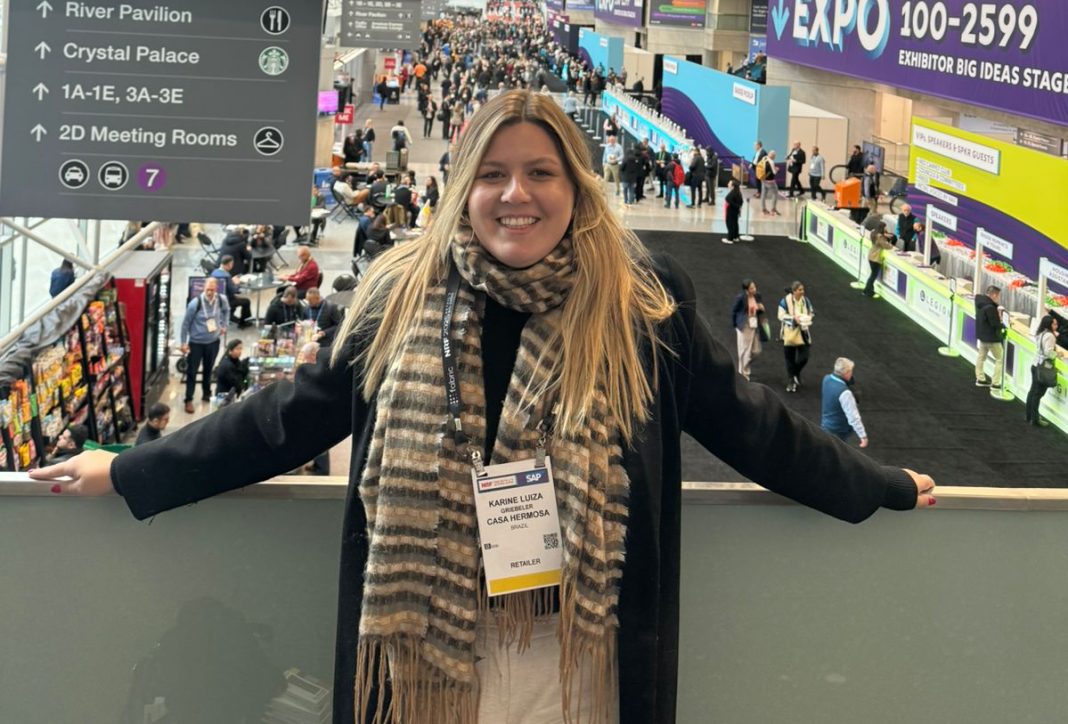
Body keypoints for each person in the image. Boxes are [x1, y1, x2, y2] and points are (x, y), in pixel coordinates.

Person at [32, 90, 935, 724]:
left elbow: (751, 426)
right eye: (494, 173)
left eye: (541, 172)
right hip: (425, 659)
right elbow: (285, 419)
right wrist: (134, 470)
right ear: (463, 185)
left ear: (576, 187)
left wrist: (878, 485)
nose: (516, 194)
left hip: (575, 663)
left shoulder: (638, 306)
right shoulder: (399, 299)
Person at [180, 277, 228, 414]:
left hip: (213, 342)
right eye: (207, 289)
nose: (209, 292)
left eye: (212, 290)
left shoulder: (221, 300)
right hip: (196, 344)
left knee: (208, 369)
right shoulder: (195, 303)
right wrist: (183, 342)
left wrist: (224, 325)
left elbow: (227, 311)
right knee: (192, 372)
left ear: (216, 289)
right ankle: (188, 399)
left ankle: (206, 393)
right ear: (203, 288)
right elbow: (185, 324)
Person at [820, 358, 868, 448]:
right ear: (846, 373)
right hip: (839, 431)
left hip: (826, 425)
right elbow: (853, 417)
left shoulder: (826, 379)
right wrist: (863, 436)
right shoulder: (845, 393)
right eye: (851, 371)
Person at [778, 280, 814, 392]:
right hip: (790, 333)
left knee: (804, 357)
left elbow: (811, 311)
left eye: (803, 289)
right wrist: (793, 319)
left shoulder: (805, 300)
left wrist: (809, 317)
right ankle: (791, 381)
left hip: (803, 332)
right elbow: (780, 316)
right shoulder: (785, 301)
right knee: (790, 359)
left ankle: (795, 372)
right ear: (794, 291)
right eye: (800, 290)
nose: (802, 292)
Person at [1026, 314, 1061, 427]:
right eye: (1054, 324)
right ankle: (1035, 419)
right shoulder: (1050, 336)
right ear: (1049, 324)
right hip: (1043, 368)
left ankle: (1029, 415)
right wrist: (1058, 354)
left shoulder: (1040, 332)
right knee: (1038, 394)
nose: (1056, 325)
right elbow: (1048, 352)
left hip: (1035, 364)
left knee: (1032, 392)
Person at [730, 278, 766, 380]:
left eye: (754, 287)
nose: (754, 289)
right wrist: (735, 325)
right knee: (745, 350)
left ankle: (745, 368)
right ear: (746, 290)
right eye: (752, 288)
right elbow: (734, 311)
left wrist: (761, 308)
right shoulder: (741, 298)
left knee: (756, 351)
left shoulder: (757, 296)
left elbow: (759, 309)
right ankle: (743, 374)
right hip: (744, 325)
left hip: (754, 324)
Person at [973, 285, 1006, 387]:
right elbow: (995, 324)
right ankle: (996, 383)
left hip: (982, 335)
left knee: (981, 357)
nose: (998, 298)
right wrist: (1003, 324)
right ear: (994, 295)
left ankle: (980, 378)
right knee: (1000, 359)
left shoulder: (979, 301)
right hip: (991, 338)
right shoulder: (990, 307)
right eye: (998, 296)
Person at [210, 255, 252, 328]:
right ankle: (242, 322)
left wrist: (231, 281)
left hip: (216, 299)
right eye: (232, 264)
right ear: (229, 264)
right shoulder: (226, 275)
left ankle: (230, 316)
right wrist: (237, 284)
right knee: (246, 301)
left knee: (236, 300)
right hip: (227, 300)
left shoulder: (214, 272)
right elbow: (234, 290)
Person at [863, 222, 896, 298]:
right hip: (876, 258)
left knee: (872, 275)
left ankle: (869, 290)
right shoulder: (880, 236)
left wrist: (885, 235)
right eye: (885, 227)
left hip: (871, 256)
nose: (886, 229)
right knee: (873, 276)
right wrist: (891, 245)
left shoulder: (873, 233)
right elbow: (886, 246)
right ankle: (867, 291)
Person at [723, 178, 743, 244]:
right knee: (735, 223)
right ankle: (735, 237)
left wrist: (735, 205)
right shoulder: (738, 192)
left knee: (730, 224)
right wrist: (738, 207)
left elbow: (727, 199)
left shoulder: (732, 192)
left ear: (733, 186)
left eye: (729, 183)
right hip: (736, 211)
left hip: (731, 210)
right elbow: (741, 202)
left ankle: (730, 239)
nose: (728, 184)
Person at [760, 150, 779, 215]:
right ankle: (773, 210)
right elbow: (774, 172)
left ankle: (763, 210)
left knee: (763, 195)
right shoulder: (771, 162)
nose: (774, 157)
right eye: (774, 155)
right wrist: (776, 169)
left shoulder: (764, 158)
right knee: (775, 194)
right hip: (770, 181)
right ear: (773, 156)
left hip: (763, 180)